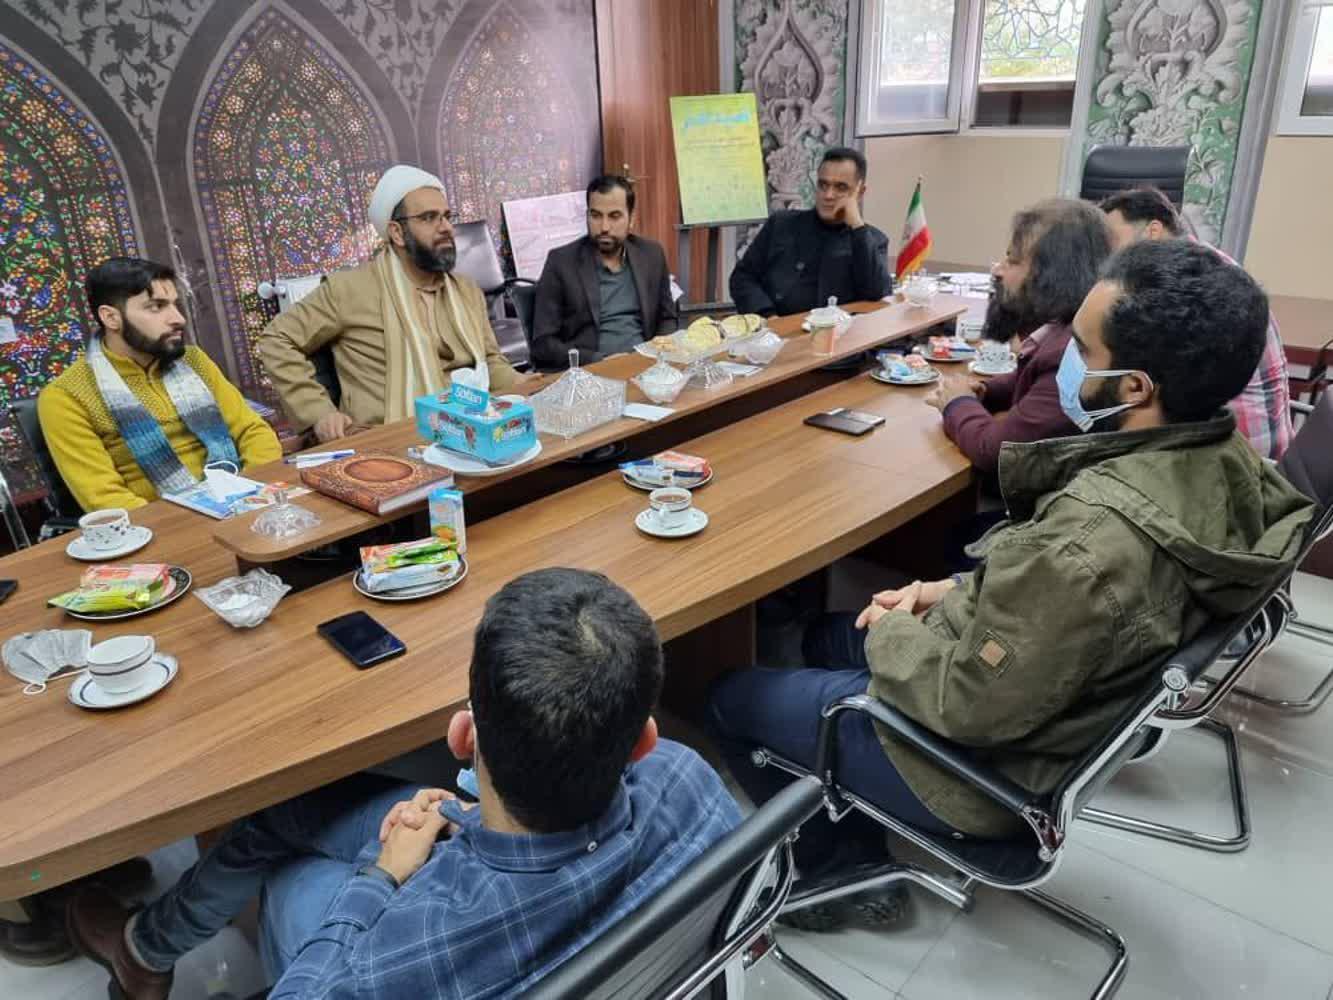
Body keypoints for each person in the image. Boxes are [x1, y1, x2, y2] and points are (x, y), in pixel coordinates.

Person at [709, 241, 1315, 931]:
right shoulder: (1221, 458)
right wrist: (941, 592)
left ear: (1134, 388)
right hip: (1034, 690)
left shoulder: (1089, 542)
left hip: (981, 769)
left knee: (729, 698)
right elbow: (1056, 597)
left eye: (1080, 349)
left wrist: (897, 629)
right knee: (825, 635)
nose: (1061, 361)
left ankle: (837, 871)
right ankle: (841, 787)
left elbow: (966, 703)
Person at [67, 568, 741, 999]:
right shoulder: (688, 777)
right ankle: (145, 948)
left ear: (463, 737)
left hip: (457, 883)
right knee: (299, 812)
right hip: (500, 850)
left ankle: (144, 950)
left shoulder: (401, 953)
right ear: (646, 740)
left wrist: (381, 877)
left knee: (292, 871)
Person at [257, 165, 527, 443]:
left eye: (447, 216)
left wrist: (525, 385)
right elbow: (276, 339)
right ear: (397, 233)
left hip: (474, 432)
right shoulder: (348, 290)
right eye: (429, 217)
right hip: (389, 442)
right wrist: (319, 412)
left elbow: (490, 362)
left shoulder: (465, 290)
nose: (446, 227)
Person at [37, 257, 282, 512]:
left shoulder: (194, 360)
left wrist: (252, 495)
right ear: (111, 318)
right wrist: (201, 518)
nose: (178, 318)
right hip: (162, 524)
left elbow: (253, 431)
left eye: (175, 304)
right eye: (156, 307)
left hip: (246, 499)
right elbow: (105, 499)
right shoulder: (66, 396)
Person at [1100, 185, 1293, 460]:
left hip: (1240, 451)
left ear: (1153, 231)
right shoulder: (1201, 264)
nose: (1107, 253)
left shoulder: (1189, 284)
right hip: (1241, 439)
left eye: (1112, 239)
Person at [925, 198, 1113, 476]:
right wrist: (986, 391)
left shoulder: (1075, 353)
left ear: (1052, 276)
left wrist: (958, 404)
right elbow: (1033, 376)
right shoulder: (1068, 329)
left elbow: (997, 452)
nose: (998, 270)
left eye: (1012, 260)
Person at [529, 175, 677, 369]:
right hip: (591, 372)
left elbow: (667, 318)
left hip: (647, 367)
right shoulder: (561, 262)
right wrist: (596, 360)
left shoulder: (651, 254)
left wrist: (656, 353)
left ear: (631, 219)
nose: (604, 227)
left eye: (614, 216)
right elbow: (542, 344)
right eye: (596, 216)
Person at [730, 147, 892, 316]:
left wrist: (857, 226)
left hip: (840, 330)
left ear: (859, 193)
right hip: (776, 327)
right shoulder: (781, 224)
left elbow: (878, 295)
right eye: (823, 185)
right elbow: (743, 277)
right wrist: (767, 316)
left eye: (841, 187)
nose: (828, 195)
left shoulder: (872, 240)